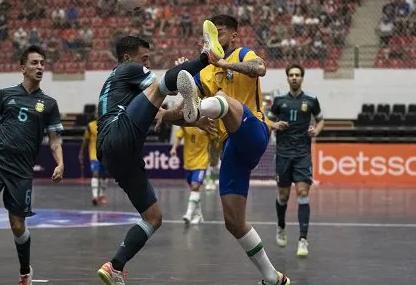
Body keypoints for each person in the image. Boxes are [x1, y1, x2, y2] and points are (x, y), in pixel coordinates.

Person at [157, 15, 291, 285]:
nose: (214, 40)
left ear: (233, 37)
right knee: (234, 222)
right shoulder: (204, 72)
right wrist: (161, 113)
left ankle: (202, 104)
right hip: (230, 147)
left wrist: (223, 62)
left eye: (219, 34)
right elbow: (183, 115)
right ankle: (273, 278)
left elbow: (259, 69)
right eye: (210, 36)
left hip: (254, 131)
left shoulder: (243, 53)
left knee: (222, 100)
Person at [96, 28, 223, 285]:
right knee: (162, 84)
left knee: (153, 217)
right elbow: (164, 87)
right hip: (115, 132)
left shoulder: (132, 90)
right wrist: (195, 67)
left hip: (120, 155)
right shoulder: (127, 70)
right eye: (144, 58)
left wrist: (194, 120)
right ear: (126, 58)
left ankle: (114, 267)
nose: (147, 63)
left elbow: (162, 114)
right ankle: (205, 55)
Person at [0, 45, 65, 285]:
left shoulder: (48, 104)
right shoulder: (6, 94)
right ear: (23, 68)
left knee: (18, 226)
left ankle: (25, 272)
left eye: (42, 63)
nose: (40, 67)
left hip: (21, 170)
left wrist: (60, 163)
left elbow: (55, 140)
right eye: (34, 63)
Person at [267, 64, 324, 257]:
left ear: (302, 78)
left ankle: (303, 240)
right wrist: (274, 125)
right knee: (283, 196)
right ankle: (281, 227)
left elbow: (320, 119)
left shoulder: (311, 100)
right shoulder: (279, 100)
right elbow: (267, 121)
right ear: (287, 78)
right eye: (291, 75)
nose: (294, 78)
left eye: (297, 75)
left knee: (302, 192)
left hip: (302, 154)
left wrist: (316, 130)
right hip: (283, 154)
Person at [170, 125, 214, 224]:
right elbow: (179, 137)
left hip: (202, 162)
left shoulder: (206, 124)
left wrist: (214, 156)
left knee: (195, 186)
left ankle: (188, 214)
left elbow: (214, 141)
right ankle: (199, 215)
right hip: (188, 163)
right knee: (194, 191)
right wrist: (174, 148)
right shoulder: (186, 124)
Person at [79, 116, 108, 206]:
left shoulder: (108, 124)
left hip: (106, 155)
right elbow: (85, 140)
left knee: (104, 176)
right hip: (94, 155)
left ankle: (102, 195)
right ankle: (95, 196)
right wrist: (81, 152)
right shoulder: (90, 126)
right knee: (95, 174)